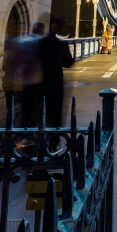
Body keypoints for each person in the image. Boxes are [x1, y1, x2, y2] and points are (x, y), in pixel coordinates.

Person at [40, 18, 75, 152]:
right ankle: (54, 143)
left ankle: (39, 142)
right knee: (55, 114)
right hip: (55, 83)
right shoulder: (61, 44)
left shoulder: (42, 42)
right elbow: (68, 62)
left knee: (42, 111)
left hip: (41, 82)